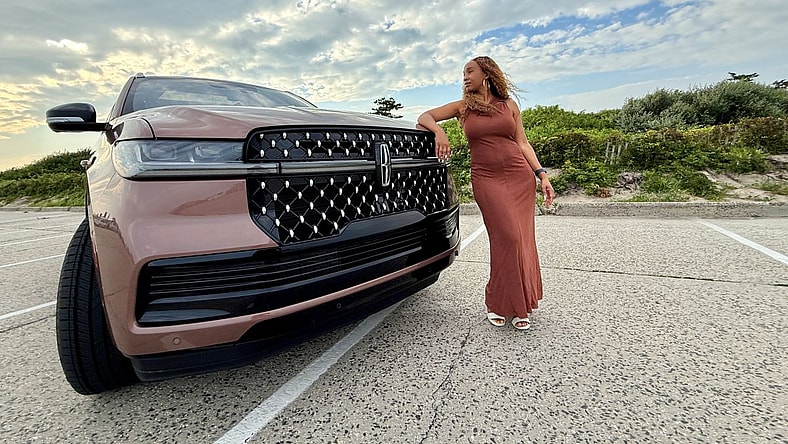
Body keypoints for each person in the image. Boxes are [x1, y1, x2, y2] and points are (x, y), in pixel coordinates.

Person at [417, 56, 555, 331]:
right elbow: (425, 117)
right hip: (487, 179)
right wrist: (439, 132)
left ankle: (519, 304)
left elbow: (523, 143)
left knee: (522, 239)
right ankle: (498, 302)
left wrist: (541, 174)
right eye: (463, 73)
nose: (465, 77)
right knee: (508, 237)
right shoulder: (463, 107)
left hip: (519, 177)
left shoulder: (509, 106)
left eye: (470, 71)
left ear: (487, 74)